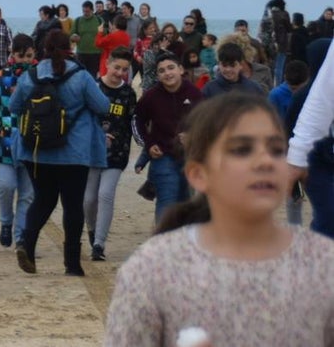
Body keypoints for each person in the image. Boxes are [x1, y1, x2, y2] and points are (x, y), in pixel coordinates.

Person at [104, 94, 334, 347]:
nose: (265, 161)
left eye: (277, 150)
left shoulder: (323, 263)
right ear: (198, 174)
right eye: (242, 150)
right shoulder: (153, 270)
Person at [9, 30, 109, 276]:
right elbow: (103, 106)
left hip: (36, 150)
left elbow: (14, 106)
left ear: (43, 49)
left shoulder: (31, 75)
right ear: (69, 48)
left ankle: (27, 245)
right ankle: (72, 264)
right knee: (72, 206)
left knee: (43, 200)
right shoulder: (81, 76)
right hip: (74, 151)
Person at [133, 51, 204, 225]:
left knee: (185, 202)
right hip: (162, 156)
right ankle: (162, 239)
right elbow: (137, 121)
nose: (167, 73)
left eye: (171, 68)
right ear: (157, 75)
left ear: (181, 69)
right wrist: (149, 144)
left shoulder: (195, 94)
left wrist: (193, 136)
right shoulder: (151, 96)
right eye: (162, 70)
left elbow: (209, 122)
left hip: (189, 157)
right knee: (166, 201)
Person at [0, 34, 36, 248]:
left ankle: (21, 236)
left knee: (28, 195)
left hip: (33, 144)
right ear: (12, 54)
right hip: (5, 143)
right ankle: (6, 221)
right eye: (21, 56)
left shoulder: (40, 78)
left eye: (29, 56)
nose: (25, 60)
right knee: (5, 185)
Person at [83, 47, 136, 262]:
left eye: (124, 70)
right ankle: (92, 228)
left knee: (105, 195)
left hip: (117, 154)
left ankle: (99, 244)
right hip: (91, 153)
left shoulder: (128, 93)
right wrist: (97, 136)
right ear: (107, 64)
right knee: (89, 199)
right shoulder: (93, 87)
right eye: (117, 68)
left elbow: (132, 123)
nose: (119, 73)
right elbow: (83, 119)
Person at [287, 39, 334, 238]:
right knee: (328, 215)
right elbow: (288, 130)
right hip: (316, 163)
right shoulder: (303, 97)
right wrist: (295, 159)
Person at [270, 60, 311, 227]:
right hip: (288, 151)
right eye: (292, 88)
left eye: (299, 88)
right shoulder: (276, 95)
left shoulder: (314, 94)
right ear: (285, 79)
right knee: (294, 196)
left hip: (312, 151)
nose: (295, 92)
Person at [259, 0, 292, 85]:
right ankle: (278, 85)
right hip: (282, 43)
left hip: (269, 44)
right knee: (279, 67)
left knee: (270, 66)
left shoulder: (269, 14)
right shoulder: (284, 14)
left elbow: (263, 30)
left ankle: (269, 84)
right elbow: (289, 29)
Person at [71, 1, 102, 76]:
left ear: (92, 10)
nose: (85, 13)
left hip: (96, 54)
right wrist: (73, 37)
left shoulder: (99, 20)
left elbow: (105, 34)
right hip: (81, 53)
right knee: (80, 75)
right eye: (83, 11)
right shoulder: (78, 20)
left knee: (93, 76)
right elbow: (71, 35)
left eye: (87, 11)